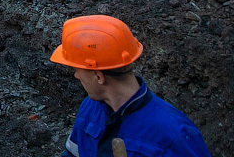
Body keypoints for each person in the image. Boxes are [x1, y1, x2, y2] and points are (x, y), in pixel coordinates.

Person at [51, 14, 211, 157]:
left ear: (98, 76)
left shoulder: (175, 134)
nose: (76, 75)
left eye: (77, 69)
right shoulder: (90, 107)